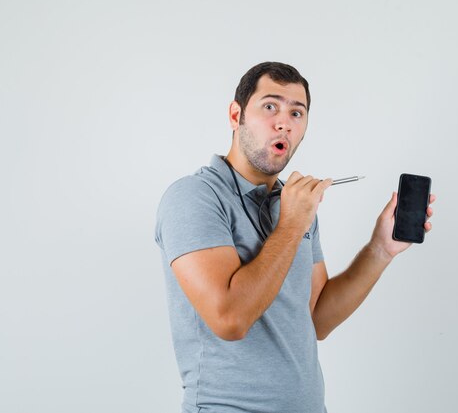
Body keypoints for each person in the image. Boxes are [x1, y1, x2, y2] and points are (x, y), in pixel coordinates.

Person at [155, 61, 435, 413]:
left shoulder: (291, 204)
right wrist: (291, 223)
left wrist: (379, 249)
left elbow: (316, 318)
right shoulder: (194, 197)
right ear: (235, 115)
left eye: (297, 112)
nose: (284, 122)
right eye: (269, 106)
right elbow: (229, 319)